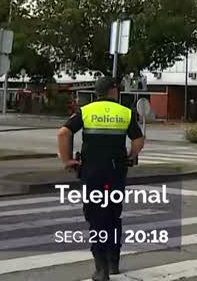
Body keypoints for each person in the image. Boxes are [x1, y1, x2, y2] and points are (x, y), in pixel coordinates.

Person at [57, 76, 145, 281]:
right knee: (114, 217)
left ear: (97, 92)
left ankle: (101, 268)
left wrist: (67, 160)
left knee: (97, 219)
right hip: (115, 173)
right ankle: (114, 262)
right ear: (113, 91)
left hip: (92, 174)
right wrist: (131, 157)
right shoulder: (124, 112)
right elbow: (138, 140)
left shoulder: (86, 111)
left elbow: (63, 134)